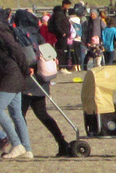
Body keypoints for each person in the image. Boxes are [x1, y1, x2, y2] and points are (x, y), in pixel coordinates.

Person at [14, 9, 75, 158]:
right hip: (42, 80)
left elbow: (27, 58)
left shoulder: (22, 36)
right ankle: (61, 142)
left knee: (19, 115)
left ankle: (22, 146)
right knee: (41, 114)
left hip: (29, 80)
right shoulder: (38, 35)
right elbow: (50, 55)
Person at [0, 3, 34, 161]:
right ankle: (27, 149)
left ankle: (17, 144)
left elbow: (13, 47)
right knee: (16, 113)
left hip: (12, 73)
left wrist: (25, 68)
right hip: (12, 72)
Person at [48, 0, 73, 70]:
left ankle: (63, 66)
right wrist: (62, 33)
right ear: (65, 4)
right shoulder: (59, 13)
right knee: (61, 51)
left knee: (63, 51)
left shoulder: (63, 12)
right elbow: (57, 24)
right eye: (68, 5)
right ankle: (62, 66)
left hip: (63, 35)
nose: (68, 7)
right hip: (60, 36)